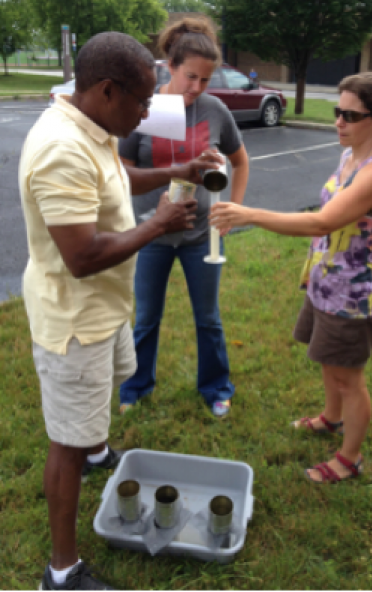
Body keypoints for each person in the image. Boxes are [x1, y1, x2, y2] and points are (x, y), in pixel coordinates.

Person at [19, 31, 221, 592]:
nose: (149, 111)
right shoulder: (61, 148)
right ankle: (61, 572)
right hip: (74, 322)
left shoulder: (93, 125)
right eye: (141, 99)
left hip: (103, 309)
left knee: (95, 408)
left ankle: (98, 449)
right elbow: (81, 257)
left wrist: (177, 171)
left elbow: (118, 176)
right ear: (107, 90)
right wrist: (156, 225)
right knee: (65, 440)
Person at [211, 72, 372, 482]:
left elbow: (321, 223)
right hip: (325, 285)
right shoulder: (350, 154)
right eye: (337, 112)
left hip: (352, 296)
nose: (339, 122)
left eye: (351, 115)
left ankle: (349, 460)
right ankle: (331, 419)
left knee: (349, 378)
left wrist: (249, 214)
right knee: (330, 364)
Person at [118, 17, 249, 418]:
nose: (197, 88)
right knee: (146, 318)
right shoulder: (144, 109)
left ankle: (216, 387)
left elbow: (240, 162)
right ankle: (136, 387)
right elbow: (120, 175)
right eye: (190, 77)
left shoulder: (215, 110)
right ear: (170, 66)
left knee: (208, 319)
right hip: (151, 234)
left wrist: (232, 210)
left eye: (205, 80)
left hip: (201, 236)